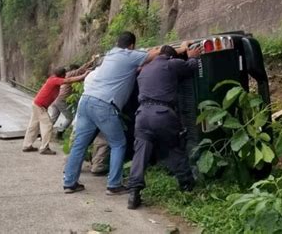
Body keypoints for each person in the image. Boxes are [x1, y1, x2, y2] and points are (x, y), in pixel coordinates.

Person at [63, 31, 162, 195]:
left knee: (79, 144)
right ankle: (114, 185)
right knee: (118, 143)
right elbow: (157, 53)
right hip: (103, 104)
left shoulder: (109, 55)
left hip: (86, 100)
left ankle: (69, 183)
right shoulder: (129, 55)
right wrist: (181, 48)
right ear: (131, 46)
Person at [127, 43, 201, 209]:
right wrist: (193, 57)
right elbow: (190, 68)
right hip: (162, 113)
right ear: (171, 56)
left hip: (142, 114)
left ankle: (133, 192)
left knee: (140, 154)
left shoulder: (145, 69)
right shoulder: (171, 63)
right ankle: (186, 184)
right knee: (174, 148)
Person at [22, 67, 90, 155]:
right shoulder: (54, 80)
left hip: (37, 104)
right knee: (48, 125)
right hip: (40, 106)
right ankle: (44, 148)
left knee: (33, 126)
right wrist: (83, 76)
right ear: (61, 75)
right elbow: (68, 80)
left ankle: (27, 145)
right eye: (64, 75)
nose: (65, 77)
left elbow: (69, 80)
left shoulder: (53, 78)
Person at [50, 56, 97, 139]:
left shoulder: (66, 76)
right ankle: (59, 133)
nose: (77, 72)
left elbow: (81, 76)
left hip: (55, 99)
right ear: (73, 70)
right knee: (69, 118)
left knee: (53, 118)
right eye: (76, 71)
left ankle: (43, 134)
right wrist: (92, 60)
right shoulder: (70, 75)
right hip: (61, 99)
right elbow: (81, 71)